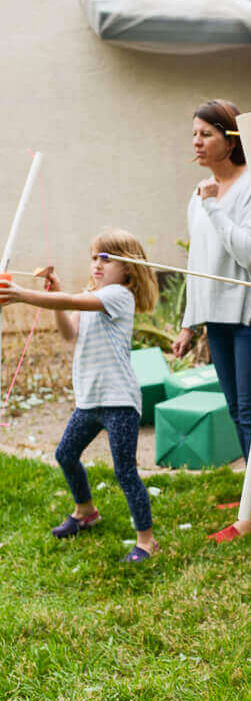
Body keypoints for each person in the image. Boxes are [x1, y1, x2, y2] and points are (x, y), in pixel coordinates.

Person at [0, 230, 159, 564]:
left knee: (125, 472)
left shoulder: (118, 295)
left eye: (107, 258)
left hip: (119, 402)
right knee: (65, 454)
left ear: (128, 269)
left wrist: (22, 294)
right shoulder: (92, 295)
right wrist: (54, 293)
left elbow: (74, 301)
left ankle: (146, 541)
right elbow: (69, 331)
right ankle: (85, 511)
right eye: (94, 257)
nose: (97, 264)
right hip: (90, 400)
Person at [172, 99, 251, 541]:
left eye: (205, 133)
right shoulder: (199, 193)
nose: (196, 141)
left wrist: (216, 207)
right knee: (237, 407)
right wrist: (187, 324)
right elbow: (200, 262)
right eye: (194, 133)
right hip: (215, 313)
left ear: (229, 138)